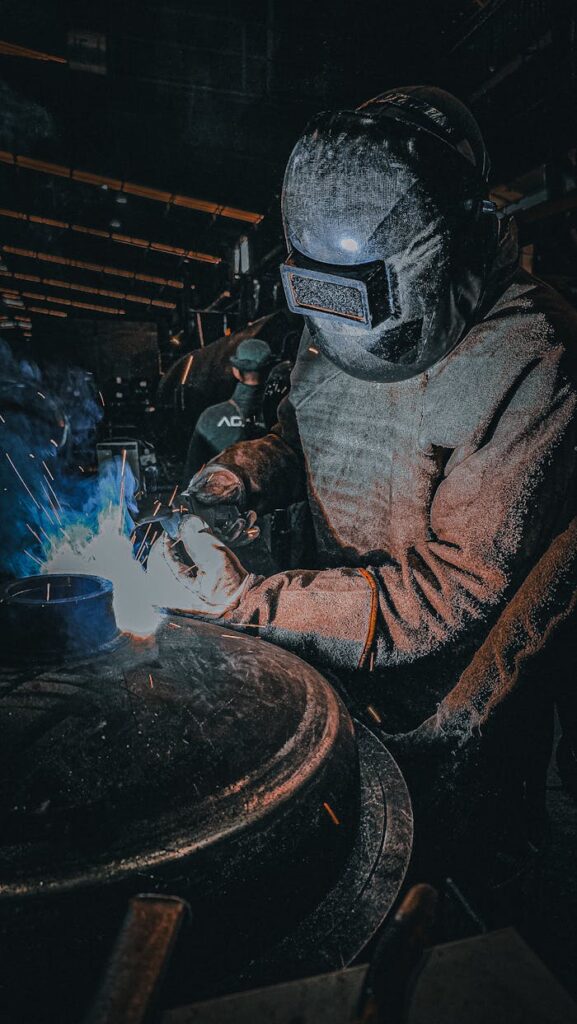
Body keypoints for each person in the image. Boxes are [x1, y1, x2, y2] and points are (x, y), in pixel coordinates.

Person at [149, 88, 577, 856]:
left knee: (456, 870)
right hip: (329, 650)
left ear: (452, 252)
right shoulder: (333, 315)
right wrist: (234, 478)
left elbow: (456, 592)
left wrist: (254, 601)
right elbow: (299, 436)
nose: (346, 336)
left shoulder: (532, 358)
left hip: (448, 701)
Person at [182, 337, 274, 482]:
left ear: (236, 371)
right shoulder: (284, 416)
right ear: (270, 371)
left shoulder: (210, 417)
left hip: (225, 501)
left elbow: (192, 476)